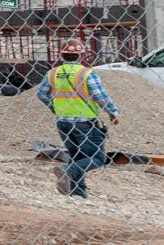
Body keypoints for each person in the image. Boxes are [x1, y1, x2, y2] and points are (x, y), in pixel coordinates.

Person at [36, 42, 121, 198]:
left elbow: (41, 94)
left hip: (63, 122)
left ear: (61, 55)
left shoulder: (52, 73)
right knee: (97, 158)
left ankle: (78, 194)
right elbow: (100, 96)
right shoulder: (86, 74)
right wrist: (113, 112)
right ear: (81, 56)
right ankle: (68, 171)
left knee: (77, 158)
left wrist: (55, 108)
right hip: (85, 122)